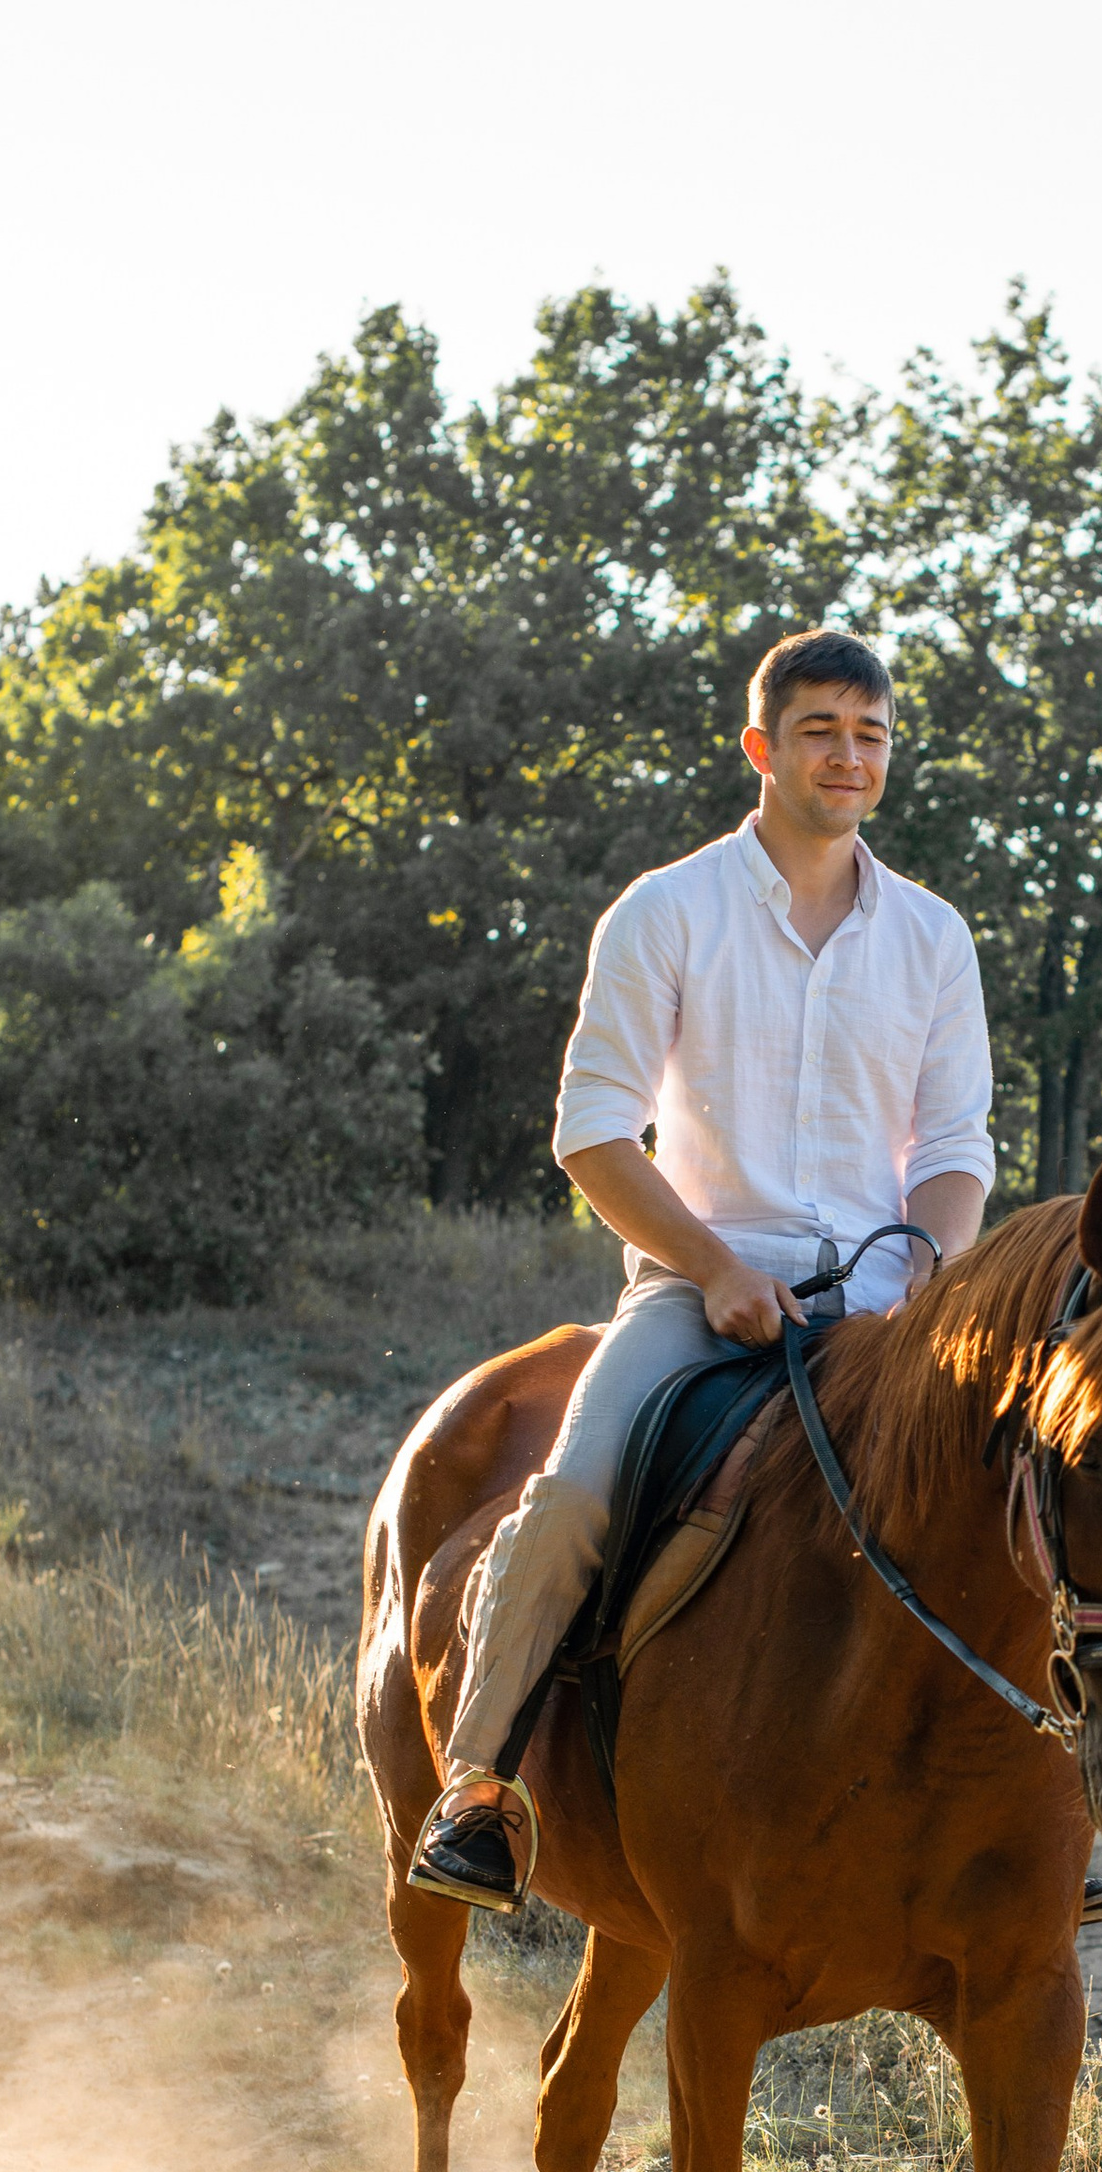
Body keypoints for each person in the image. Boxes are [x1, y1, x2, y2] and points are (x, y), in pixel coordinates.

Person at [407, 626, 995, 1914]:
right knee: (568, 1498)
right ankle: (483, 1792)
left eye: (871, 734)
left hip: (885, 1301)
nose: (849, 756)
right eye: (819, 732)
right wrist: (716, 1266)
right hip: (695, 1293)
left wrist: (928, 1283)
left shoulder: (935, 940)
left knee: (1022, 1491)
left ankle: (1053, 1837)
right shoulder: (666, 912)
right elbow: (594, 1135)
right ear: (760, 748)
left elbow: (953, 1149)